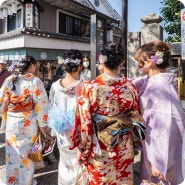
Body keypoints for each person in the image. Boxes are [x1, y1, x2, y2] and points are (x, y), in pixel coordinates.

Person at [69, 42, 139, 184]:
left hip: (101, 147)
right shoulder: (130, 86)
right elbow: (135, 114)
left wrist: (82, 149)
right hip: (124, 145)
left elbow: (85, 122)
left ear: (101, 60)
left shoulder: (91, 87)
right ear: (122, 62)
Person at [133, 40, 185, 184]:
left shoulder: (159, 88)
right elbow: (138, 82)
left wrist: (157, 161)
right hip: (151, 147)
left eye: (141, 61)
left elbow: (161, 130)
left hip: (159, 155)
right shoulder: (153, 81)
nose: (138, 65)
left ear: (150, 62)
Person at [0, 55, 49, 185]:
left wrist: (5, 111)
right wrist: (42, 125)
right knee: (26, 156)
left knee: (12, 154)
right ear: (32, 66)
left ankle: (11, 181)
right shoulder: (35, 81)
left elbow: (1, 101)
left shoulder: (10, 80)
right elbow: (41, 105)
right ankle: (25, 182)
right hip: (28, 122)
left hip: (12, 121)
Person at [48, 50, 84, 185]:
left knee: (64, 164)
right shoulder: (84, 86)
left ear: (64, 66)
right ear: (80, 67)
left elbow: (52, 106)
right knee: (80, 163)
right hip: (79, 131)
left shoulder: (55, 86)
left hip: (61, 131)